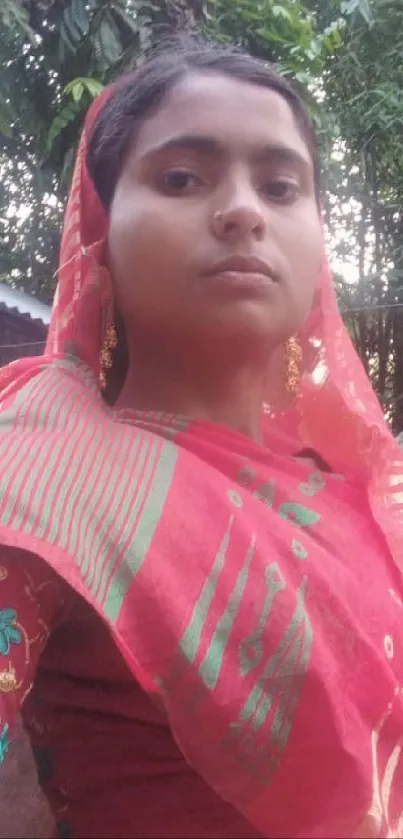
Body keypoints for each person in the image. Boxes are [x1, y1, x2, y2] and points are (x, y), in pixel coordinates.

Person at [0, 36, 403, 839]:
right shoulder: (47, 464)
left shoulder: (356, 495)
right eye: (181, 178)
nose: (245, 210)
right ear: (100, 230)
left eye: (282, 186)